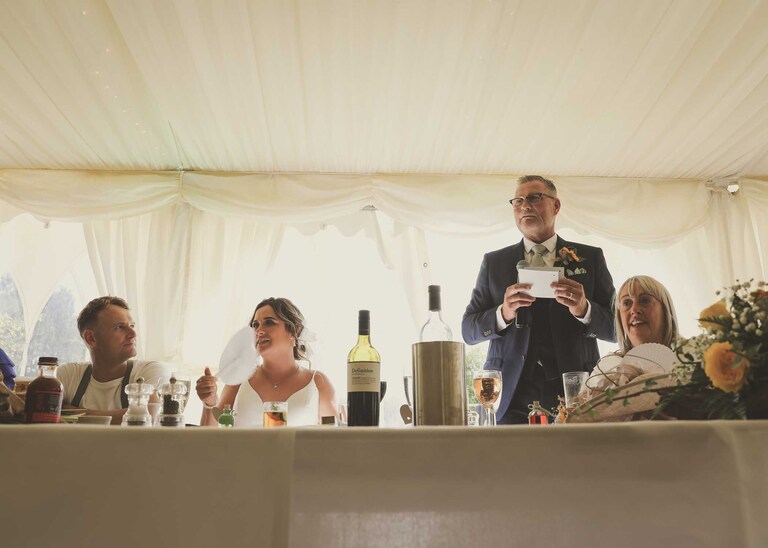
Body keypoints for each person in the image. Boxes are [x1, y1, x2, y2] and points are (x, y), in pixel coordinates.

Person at [462, 175, 616, 424]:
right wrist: (504, 313)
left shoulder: (590, 258)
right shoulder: (494, 263)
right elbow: (468, 331)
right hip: (509, 393)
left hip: (574, 391)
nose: (525, 206)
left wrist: (584, 309)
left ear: (556, 205)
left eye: (534, 198)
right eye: (518, 201)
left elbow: (617, 328)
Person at [195, 297, 337, 427]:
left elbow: (334, 439)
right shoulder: (239, 379)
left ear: (295, 330)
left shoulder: (318, 383)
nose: (259, 331)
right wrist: (209, 402)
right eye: (255, 325)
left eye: (269, 322)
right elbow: (210, 438)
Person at [58, 296, 168, 424]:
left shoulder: (149, 370)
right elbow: (42, 412)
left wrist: (70, 412)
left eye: (132, 325)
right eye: (120, 327)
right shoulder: (67, 374)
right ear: (91, 338)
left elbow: (150, 415)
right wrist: (131, 413)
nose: (133, 333)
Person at [615, 275, 679, 354]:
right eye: (627, 303)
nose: (634, 310)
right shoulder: (609, 362)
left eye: (645, 300)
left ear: (665, 311)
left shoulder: (690, 357)